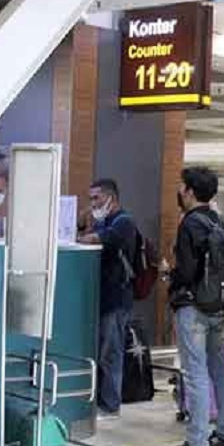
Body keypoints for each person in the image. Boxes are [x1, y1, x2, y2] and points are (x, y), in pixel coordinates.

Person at [167, 166, 224, 446]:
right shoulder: (218, 220)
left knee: (195, 372)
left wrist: (170, 276)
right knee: (219, 367)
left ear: (190, 191)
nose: (179, 192)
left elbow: (186, 270)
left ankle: (197, 442)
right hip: (219, 307)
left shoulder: (190, 223)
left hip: (193, 308)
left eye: (182, 187)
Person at [76, 179, 138, 419]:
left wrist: (83, 231)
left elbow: (96, 240)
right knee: (102, 351)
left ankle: (110, 405)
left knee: (110, 353)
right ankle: (101, 399)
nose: (92, 203)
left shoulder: (124, 222)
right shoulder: (104, 222)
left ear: (111, 197)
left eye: (96, 198)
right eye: (90, 198)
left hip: (117, 300)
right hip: (102, 297)